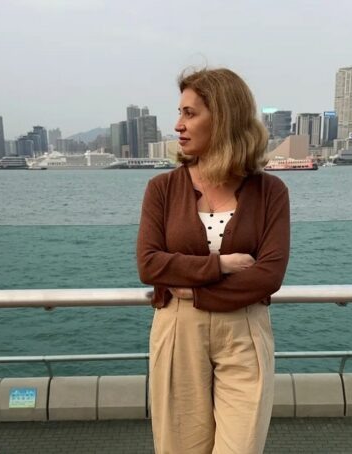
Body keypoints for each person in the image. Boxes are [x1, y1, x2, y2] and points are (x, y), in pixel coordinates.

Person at [136, 67, 290, 454]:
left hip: (244, 330)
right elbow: (149, 264)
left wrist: (196, 291)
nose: (178, 125)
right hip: (178, 328)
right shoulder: (161, 189)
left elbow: (269, 274)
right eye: (180, 113)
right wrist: (219, 265)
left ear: (223, 118)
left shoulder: (270, 191)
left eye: (190, 113)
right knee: (180, 446)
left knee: (241, 446)